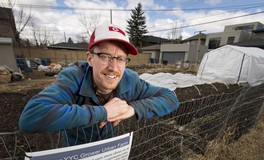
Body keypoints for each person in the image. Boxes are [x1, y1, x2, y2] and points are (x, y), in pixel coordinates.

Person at [19, 23, 179, 146]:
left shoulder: (130, 80)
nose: (114, 67)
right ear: (90, 59)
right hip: (75, 150)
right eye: (105, 56)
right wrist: (103, 112)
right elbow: (31, 116)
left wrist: (133, 109)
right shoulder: (74, 77)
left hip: (106, 149)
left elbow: (170, 98)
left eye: (121, 58)